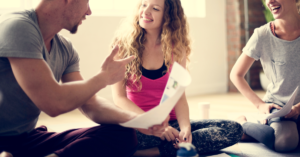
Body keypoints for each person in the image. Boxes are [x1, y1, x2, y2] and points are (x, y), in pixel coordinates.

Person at [0, 0, 168, 157]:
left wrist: (137, 120)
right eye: (86, 2)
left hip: (25, 138)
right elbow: (53, 103)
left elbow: (90, 103)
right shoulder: (18, 27)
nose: (89, 11)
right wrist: (103, 78)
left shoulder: (65, 49)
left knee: (122, 134)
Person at [111, 0, 243, 156]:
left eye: (155, 8)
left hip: (172, 126)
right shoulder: (122, 45)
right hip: (140, 125)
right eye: (143, 5)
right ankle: (166, 149)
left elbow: (179, 95)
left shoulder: (176, 49)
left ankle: (153, 152)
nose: (145, 11)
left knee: (234, 129)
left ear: (168, 16)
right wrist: (152, 125)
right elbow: (119, 98)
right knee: (116, 137)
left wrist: (186, 128)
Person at [230, 0, 300, 152]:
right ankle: (244, 125)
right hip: (279, 108)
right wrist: (260, 105)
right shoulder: (262, 35)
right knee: (286, 141)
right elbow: (236, 74)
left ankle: (253, 133)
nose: (270, 1)